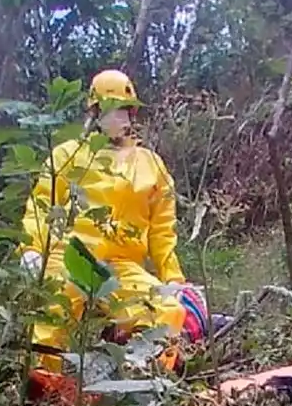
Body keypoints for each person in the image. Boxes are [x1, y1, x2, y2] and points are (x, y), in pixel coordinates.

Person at [18, 69, 216, 374]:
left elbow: (163, 231)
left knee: (166, 311)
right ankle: (43, 387)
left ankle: (149, 383)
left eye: (125, 109)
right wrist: (32, 248)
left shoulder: (151, 164)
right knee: (51, 314)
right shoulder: (66, 156)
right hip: (69, 256)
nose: (120, 117)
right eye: (111, 109)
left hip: (122, 266)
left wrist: (173, 279)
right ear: (94, 112)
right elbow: (41, 204)